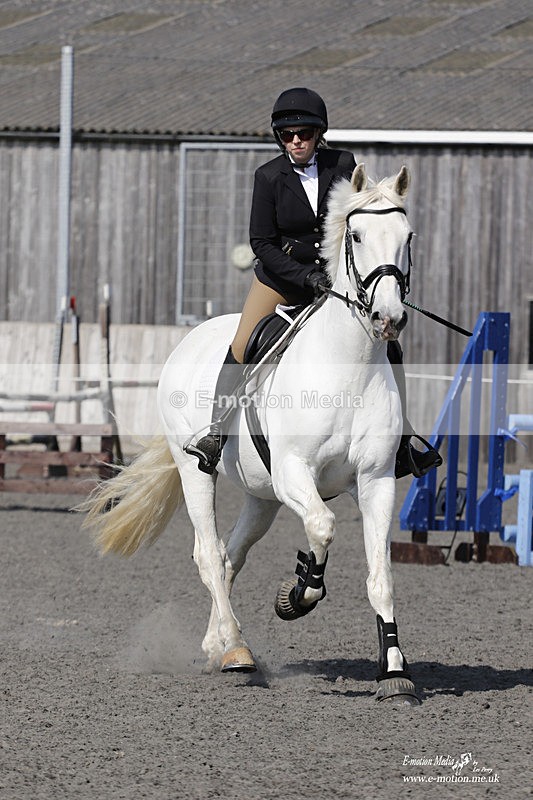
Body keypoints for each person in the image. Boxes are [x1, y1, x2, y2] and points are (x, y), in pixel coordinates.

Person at [186, 87, 441, 480]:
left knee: (388, 345)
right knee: (243, 344)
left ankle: (402, 441)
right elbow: (262, 243)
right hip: (282, 279)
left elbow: (361, 224)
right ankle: (216, 433)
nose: (296, 141)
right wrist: (303, 274)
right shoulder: (268, 176)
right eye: (287, 135)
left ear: (318, 133)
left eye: (303, 133)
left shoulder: (343, 163)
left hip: (337, 279)